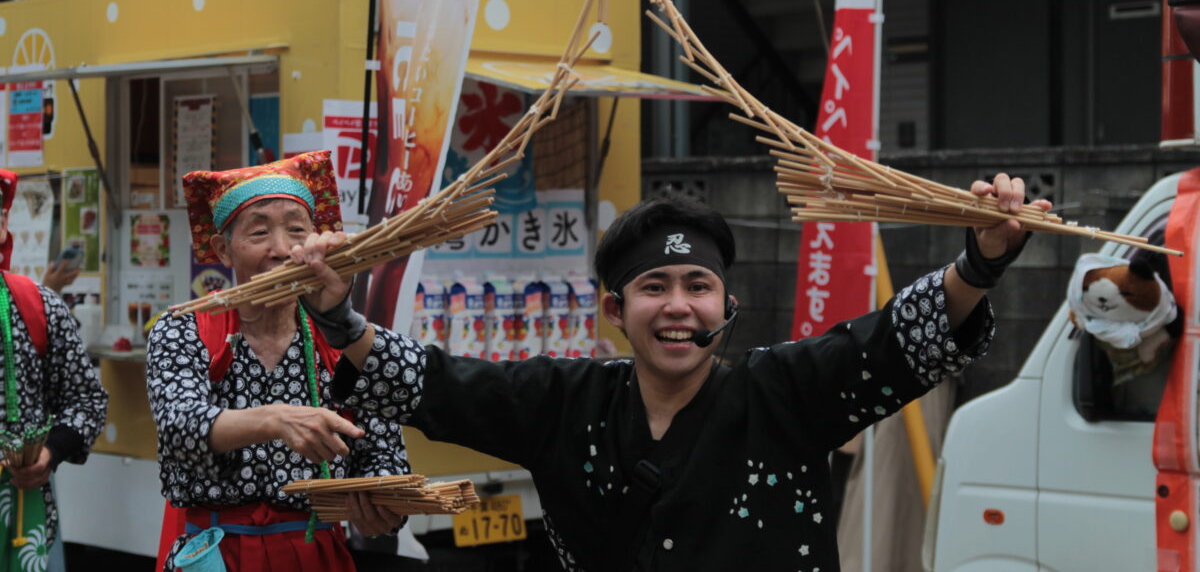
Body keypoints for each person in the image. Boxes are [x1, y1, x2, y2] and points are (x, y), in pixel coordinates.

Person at [313, 172, 1047, 570]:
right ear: (613, 307)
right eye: (653, 288)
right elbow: (440, 383)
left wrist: (981, 264)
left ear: (728, 302)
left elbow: (892, 343)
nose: (677, 308)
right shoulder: (563, 401)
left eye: (697, 287)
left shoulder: (785, 391)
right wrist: (342, 320)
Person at [147, 151, 425, 572]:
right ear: (223, 249)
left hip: (314, 551)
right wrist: (278, 420)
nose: (282, 249)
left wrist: (383, 503)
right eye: (259, 233)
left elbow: (383, 450)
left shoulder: (345, 337)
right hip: (217, 555)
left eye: (297, 230)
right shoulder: (184, 327)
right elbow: (180, 426)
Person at [0, 169, 109, 570]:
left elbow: (87, 399)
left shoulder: (39, 305)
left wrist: (50, 451)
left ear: (3, 225)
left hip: (21, 510)